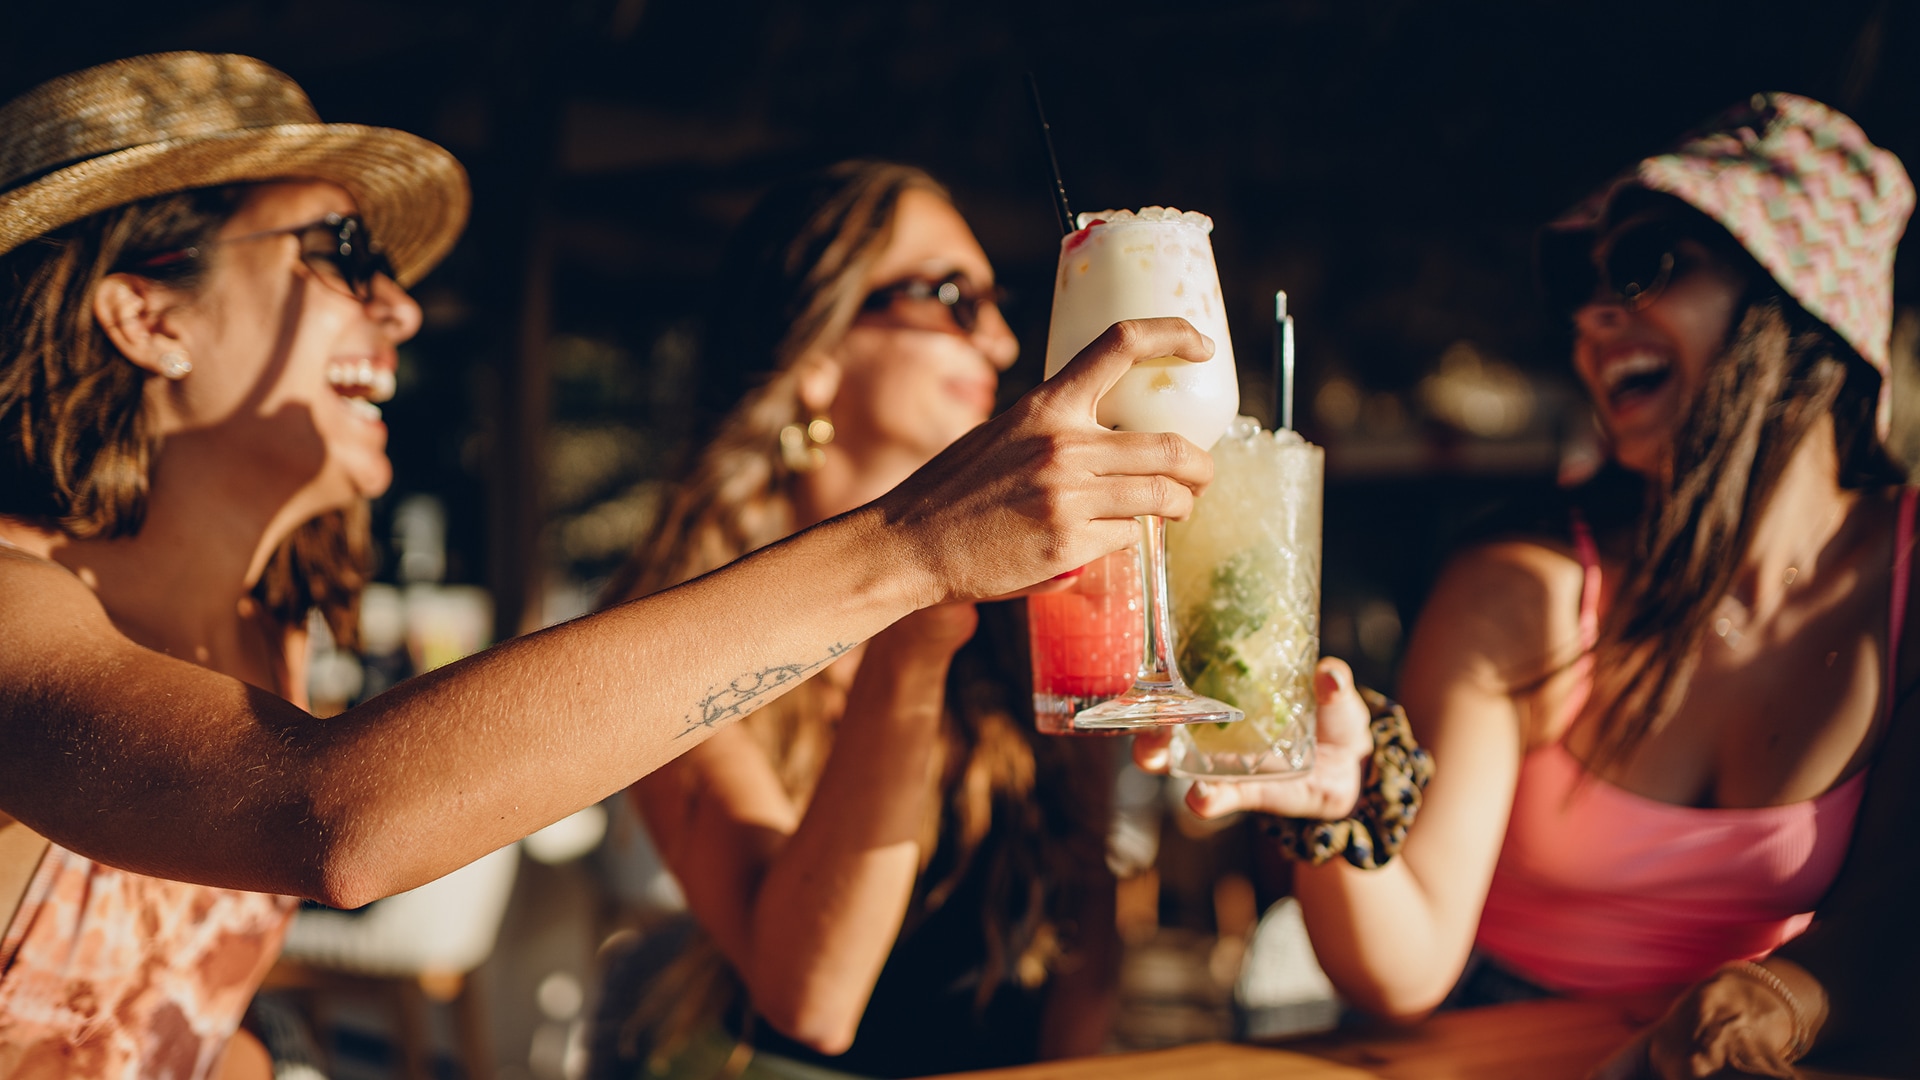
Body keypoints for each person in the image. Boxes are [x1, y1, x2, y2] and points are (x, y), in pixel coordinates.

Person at [0, 56, 1217, 1077]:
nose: (403, 309)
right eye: (345, 252)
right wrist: (912, 550)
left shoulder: (267, 626)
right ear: (147, 316)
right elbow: (332, 823)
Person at [1137, 92, 1916, 1030]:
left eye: (1643, 266)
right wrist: (1334, 817)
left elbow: (1891, 928)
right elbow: (1409, 966)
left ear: (1799, 296)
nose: (1592, 318)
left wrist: (1772, 1010)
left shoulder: (1904, 576)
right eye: (1579, 292)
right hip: (1497, 1042)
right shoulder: (1524, 590)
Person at [588, 162, 1118, 1080]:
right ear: (818, 354)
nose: (998, 342)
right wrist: (915, 626)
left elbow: (1088, 935)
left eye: (1000, 303)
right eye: (952, 298)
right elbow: (810, 997)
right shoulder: (672, 624)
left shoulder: (1028, 602)